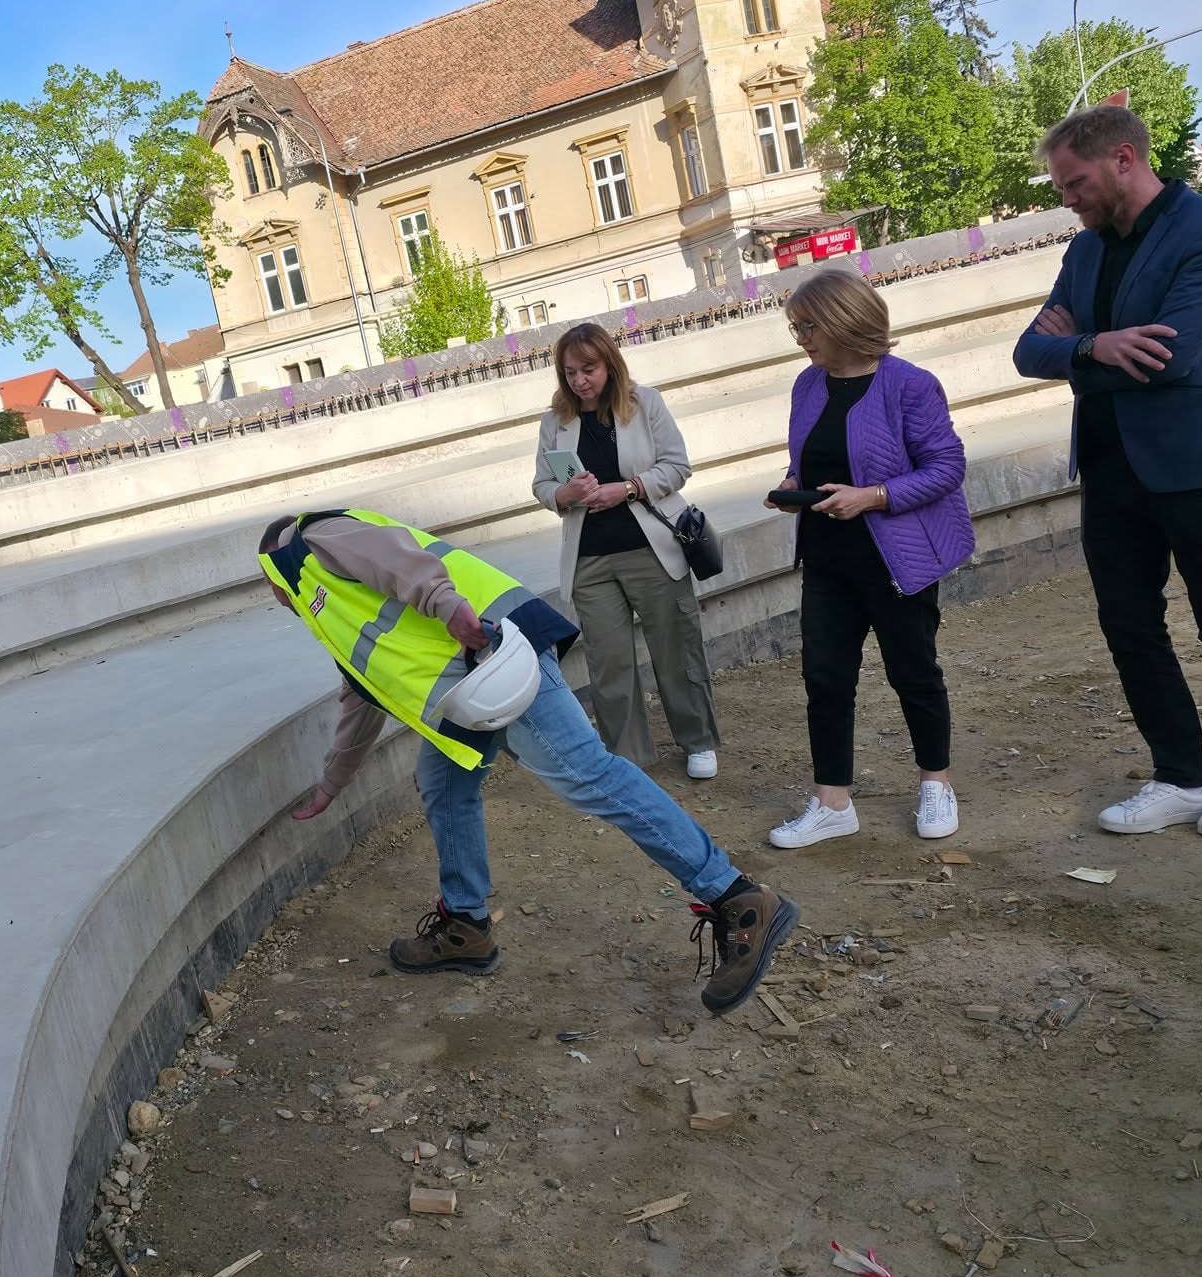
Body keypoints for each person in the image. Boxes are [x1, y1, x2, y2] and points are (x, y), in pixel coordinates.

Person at [257, 508, 796, 1014]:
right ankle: (465, 925)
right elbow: (362, 694)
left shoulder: (313, 539)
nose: (273, 599)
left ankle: (736, 897)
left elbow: (397, 558)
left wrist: (450, 607)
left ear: (271, 573)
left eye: (268, 590)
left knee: (589, 776)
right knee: (442, 782)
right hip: (467, 682)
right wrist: (332, 783)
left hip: (490, 652)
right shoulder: (320, 605)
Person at [1013, 105, 1202, 838]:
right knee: (1130, 629)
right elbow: (1026, 353)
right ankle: (1180, 777)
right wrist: (1096, 349)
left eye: (1073, 183)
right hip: (1109, 472)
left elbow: (1172, 356)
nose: (1065, 198)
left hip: (1199, 465)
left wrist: (1079, 347)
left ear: (1124, 160)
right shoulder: (1085, 251)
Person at [765, 268, 975, 849]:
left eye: (809, 326)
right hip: (828, 557)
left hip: (896, 560)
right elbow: (809, 459)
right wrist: (792, 485)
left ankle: (936, 781)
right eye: (795, 328)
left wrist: (873, 497)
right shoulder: (807, 386)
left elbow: (946, 467)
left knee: (914, 672)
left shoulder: (910, 384)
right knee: (825, 678)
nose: (802, 338)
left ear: (843, 321)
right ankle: (833, 801)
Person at [531, 322, 721, 779]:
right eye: (571, 372)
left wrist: (630, 489)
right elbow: (541, 485)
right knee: (609, 663)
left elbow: (677, 466)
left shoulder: (644, 403)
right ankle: (627, 756)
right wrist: (566, 494)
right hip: (589, 561)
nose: (580, 380)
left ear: (610, 364)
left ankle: (697, 740)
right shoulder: (555, 420)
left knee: (676, 649)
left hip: (652, 549)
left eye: (589, 369)